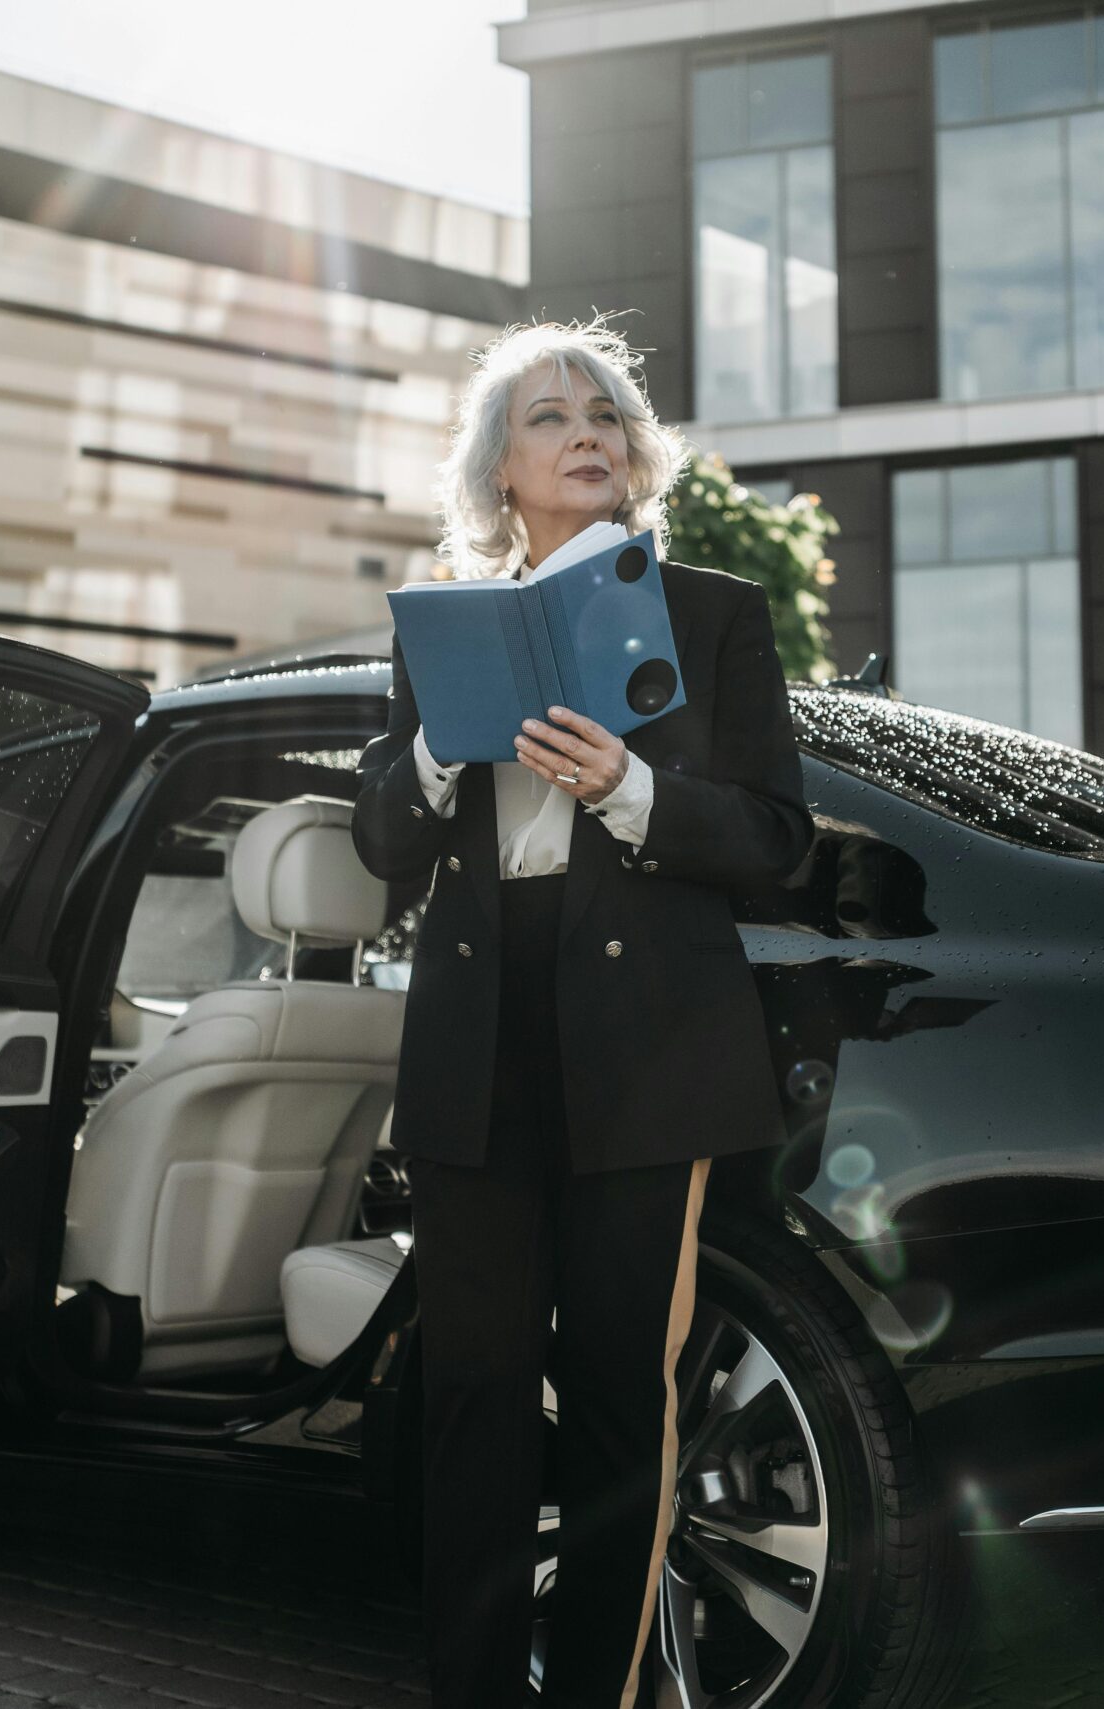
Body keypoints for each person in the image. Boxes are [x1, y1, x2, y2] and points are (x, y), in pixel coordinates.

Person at [350, 317, 815, 1709]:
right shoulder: (443, 627)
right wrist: (437, 749)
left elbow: (781, 835)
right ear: (502, 471)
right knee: (475, 1402)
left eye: (606, 409)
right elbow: (380, 840)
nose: (589, 430)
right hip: (475, 1054)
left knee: (625, 1401)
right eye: (551, 417)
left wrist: (632, 787)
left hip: (647, 1058)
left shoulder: (717, 614)